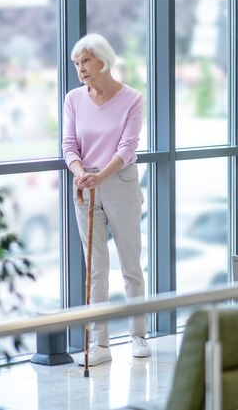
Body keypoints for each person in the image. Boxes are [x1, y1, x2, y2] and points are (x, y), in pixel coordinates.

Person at [62, 33, 150, 366]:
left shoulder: (131, 99)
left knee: (130, 264)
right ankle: (100, 344)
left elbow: (128, 148)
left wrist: (102, 175)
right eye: (76, 63)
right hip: (84, 184)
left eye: (85, 60)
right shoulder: (73, 99)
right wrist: (79, 171)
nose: (80, 68)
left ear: (103, 60)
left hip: (120, 182)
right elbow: (68, 144)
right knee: (95, 269)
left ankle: (139, 335)